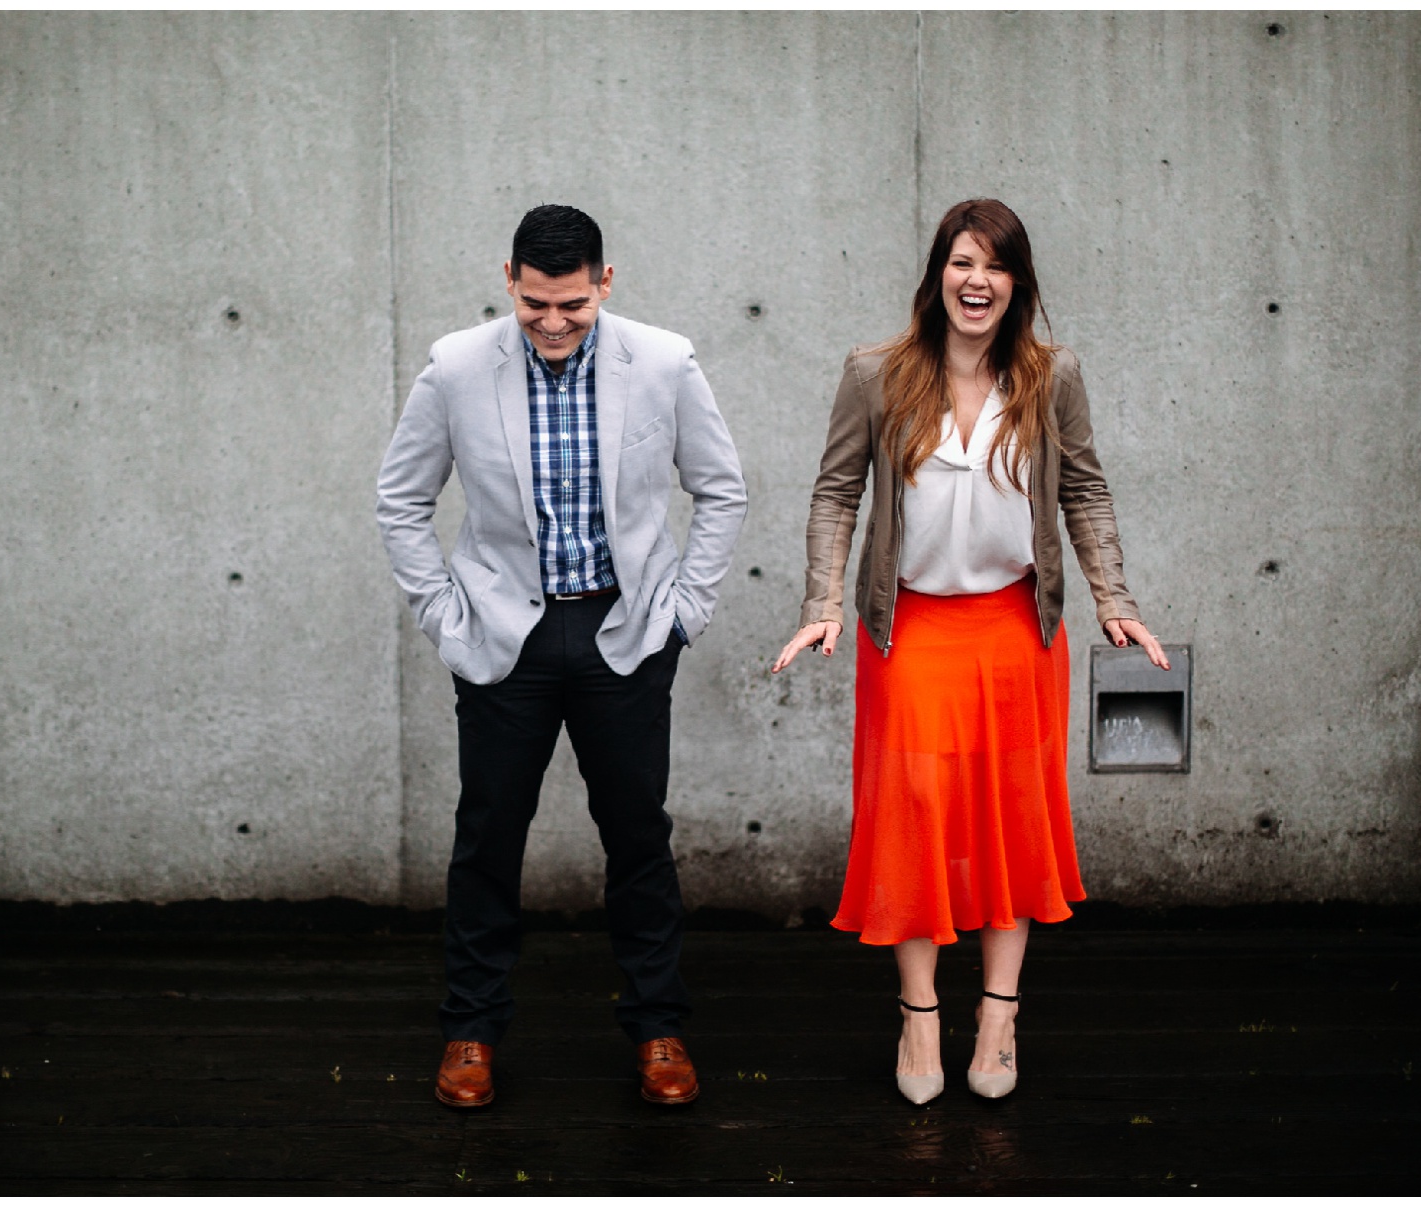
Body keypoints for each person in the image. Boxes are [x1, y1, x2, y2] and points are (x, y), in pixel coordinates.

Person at [772, 199, 1169, 1105]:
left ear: (1017, 282)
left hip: (1014, 632)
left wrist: (1115, 601)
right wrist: (823, 599)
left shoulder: (1050, 374)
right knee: (914, 818)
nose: (975, 280)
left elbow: (1087, 493)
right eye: (960, 262)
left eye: (993, 265)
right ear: (937, 275)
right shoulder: (876, 373)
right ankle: (919, 1015)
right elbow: (836, 492)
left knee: (1010, 823)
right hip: (908, 629)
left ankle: (997, 1014)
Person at [378, 205, 747, 1108]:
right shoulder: (457, 366)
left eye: (572, 306)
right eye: (535, 303)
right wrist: (444, 616)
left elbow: (721, 487)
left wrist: (683, 613)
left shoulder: (662, 362)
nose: (551, 323)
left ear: (605, 284)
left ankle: (659, 1027)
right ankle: (470, 1031)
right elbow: (400, 500)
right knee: (487, 840)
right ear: (510, 278)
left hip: (626, 636)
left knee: (638, 840)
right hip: (506, 641)